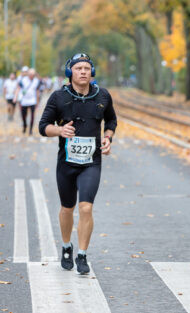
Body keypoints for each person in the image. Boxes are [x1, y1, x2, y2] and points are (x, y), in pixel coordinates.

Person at [39, 53, 117, 274]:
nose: (83, 72)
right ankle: (66, 247)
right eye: (78, 68)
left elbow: (111, 120)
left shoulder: (103, 95)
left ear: (92, 72)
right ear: (70, 72)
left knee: (86, 207)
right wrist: (60, 130)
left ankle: (82, 254)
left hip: (92, 162)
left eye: (86, 68)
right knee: (67, 208)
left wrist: (108, 137)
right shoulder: (58, 97)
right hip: (66, 163)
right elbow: (43, 126)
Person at [13, 68, 40, 134]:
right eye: (30, 74)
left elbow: (37, 92)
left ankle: (30, 130)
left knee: (33, 116)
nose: (31, 76)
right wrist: (15, 97)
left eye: (33, 74)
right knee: (23, 115)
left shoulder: (36, 81)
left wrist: (37, 101)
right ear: (28, 74)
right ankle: (25, 125)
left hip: (32, 101)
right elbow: (18, 88)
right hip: (24, 101)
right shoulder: (23, 80)